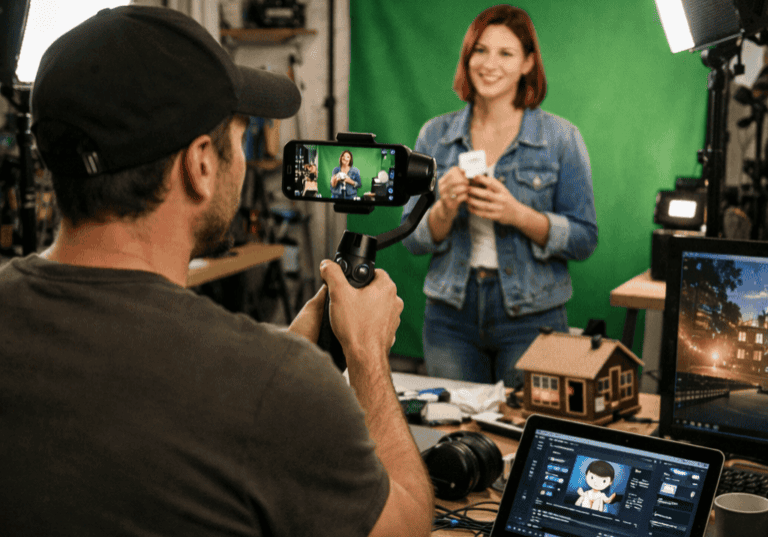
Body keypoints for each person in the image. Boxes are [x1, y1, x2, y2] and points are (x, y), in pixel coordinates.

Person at [0, 6, 433, 537]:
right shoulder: (273, 386)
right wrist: (365, 355)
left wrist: (293, 351)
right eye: (241, 136)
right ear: (201, 164)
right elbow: (407, 524)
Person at [401, 5, 598, 387]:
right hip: (449, 315)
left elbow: (585, 239)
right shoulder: (434, 136)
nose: (490, 64)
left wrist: (517, 214)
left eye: (506, 53)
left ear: (527, 63)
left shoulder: (561, 138)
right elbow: (411, 239)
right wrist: (443, 208)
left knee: (521, 433)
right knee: (455, 437)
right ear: (468, 56)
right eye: (481, 50)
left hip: (533, 316)